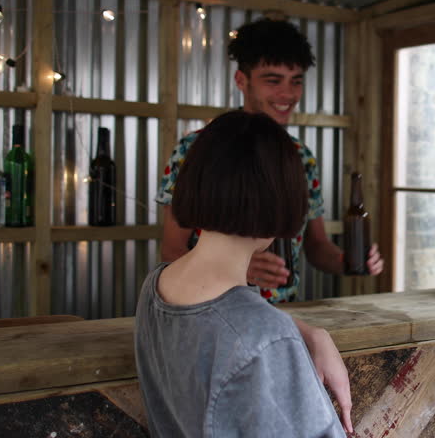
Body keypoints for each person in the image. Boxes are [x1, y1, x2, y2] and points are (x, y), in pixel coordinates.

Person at [136, 111, 351, 437]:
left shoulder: (154, 288)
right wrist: (288, 334)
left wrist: (311, 333)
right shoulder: (267, 336)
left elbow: (222, 320)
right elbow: (247, 328)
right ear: (281, 200)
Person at [156, 18, 383, 304]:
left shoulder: (301, 156)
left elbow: (316, 246)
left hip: (283, 316)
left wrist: (348, 261)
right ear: (241, 80)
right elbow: (171, 250)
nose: (288, 94)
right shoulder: (196, 149)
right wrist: (231, 268)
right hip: (212, 310)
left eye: (296, 81)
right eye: (273, 80)